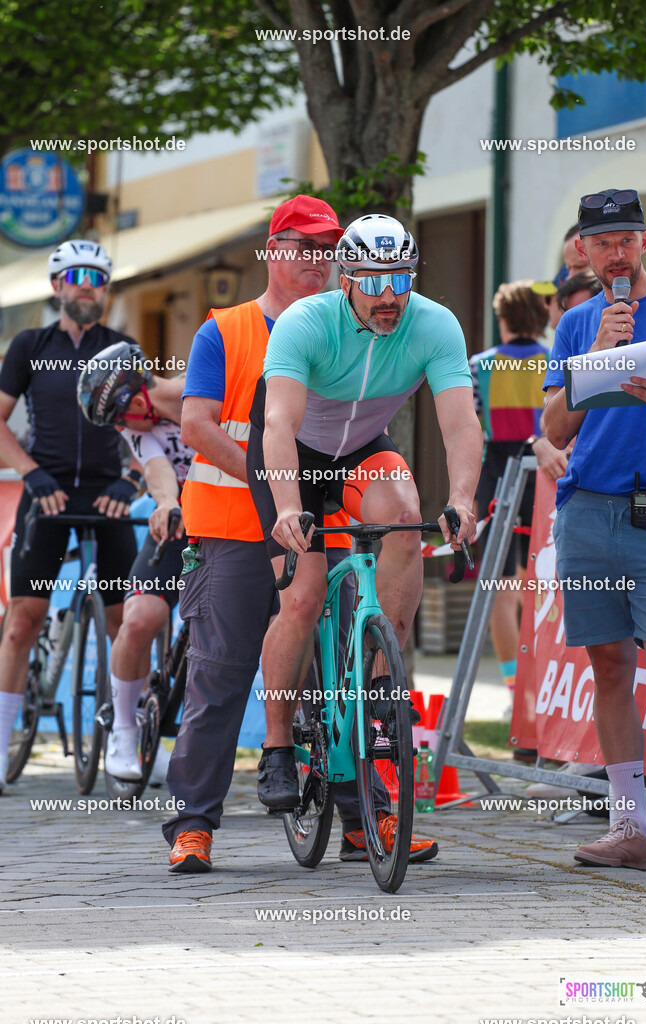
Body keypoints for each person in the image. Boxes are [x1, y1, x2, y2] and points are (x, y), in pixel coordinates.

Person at [162, 196, 437, 872]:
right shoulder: (224, 330)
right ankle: (193, 826)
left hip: (323, 529)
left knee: (336, 678)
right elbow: (195, 425)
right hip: (232, 530)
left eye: (326, 249)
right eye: (304, 247)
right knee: (220, 678)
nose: (316, 260)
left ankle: (358, 820)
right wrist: (271, 480)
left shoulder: (355, 327)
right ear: (274, 249)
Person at [247, 213, 482, 814]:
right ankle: (276, 745)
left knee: (404, 518)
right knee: (301, 597)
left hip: (360, 452)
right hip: (290, 454)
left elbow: (459, 424)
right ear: (345, 276)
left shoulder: (434, 324)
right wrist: (290, 508)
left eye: (400, 280)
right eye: (373, 280)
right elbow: (278, 425)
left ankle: (380, 686)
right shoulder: (306, 321)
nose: (388, 296)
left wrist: (461, 500)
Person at [543, 187, 646, 871]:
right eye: (601, 243)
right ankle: (629, 828)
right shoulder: (577, 322)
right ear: (584, 251)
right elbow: (552, 428)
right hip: (588, 510)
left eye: (624, 238)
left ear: (644, 240)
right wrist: (595, 352)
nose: (614, 253)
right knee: (608, 665)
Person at [0, 241, 140, 792]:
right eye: (77, 277)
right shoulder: (30, 346)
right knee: (23, 622)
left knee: (126, 622)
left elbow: (147, 427)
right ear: (57, 286)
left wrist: (130, 483)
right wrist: (31, 473)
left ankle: (128, 738)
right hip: (49, 494)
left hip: (108, 497)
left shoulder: (123, 348)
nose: (88, 286)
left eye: (99, 279)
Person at [77, 341, 192, 782]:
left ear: (138, 395)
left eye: (121, 416)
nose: (122, 428)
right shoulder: (133, 425)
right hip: (180, 520)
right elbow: (157, 468)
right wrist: (165, 502)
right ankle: (124, 729)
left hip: (229, 522)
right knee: (140, 616)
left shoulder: (197, 394)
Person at [469, 281, 548, 707]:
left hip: (496, 476)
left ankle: (516, 691)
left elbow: (469, 427)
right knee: (537, 582)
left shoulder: (478, 365)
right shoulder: (556, 362)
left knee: (497, 585)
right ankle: (539, 686)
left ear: (504, 319)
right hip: (543, 474)